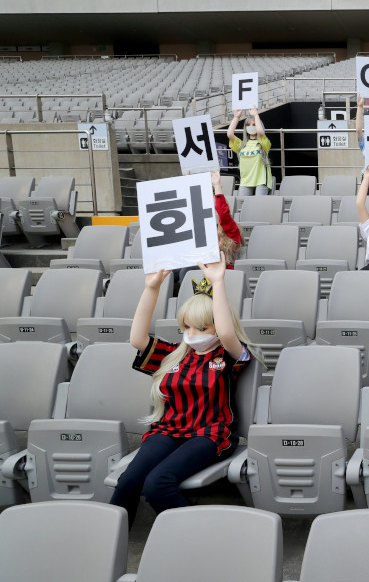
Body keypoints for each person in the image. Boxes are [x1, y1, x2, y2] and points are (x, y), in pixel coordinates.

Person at [110, 262, 254, 528]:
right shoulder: (175, 354)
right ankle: (110, 540)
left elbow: (225, 332)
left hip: (210, 434)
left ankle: (192, 538)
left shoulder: (228, 354)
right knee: (128, 481)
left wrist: (218, 283)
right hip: (168, 430)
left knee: (157, 484)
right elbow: (137, 339)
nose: (192, 334)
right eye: (187, 327)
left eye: (202, 328)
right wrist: (152, 289)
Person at [227, 108, 272, 196]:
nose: (251, 126)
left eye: (254, 124)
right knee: (242, 203)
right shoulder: (241, 145)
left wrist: (256, 115)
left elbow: (260, 132)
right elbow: (229, 134)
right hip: (245, 180)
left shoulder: (263, 142)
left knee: (259, 203)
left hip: (261, 180)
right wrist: (236, 117)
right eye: (248, 124)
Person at [212, 171, 242, 268]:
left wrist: (217, 185)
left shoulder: (231, 227)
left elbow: (223, 212)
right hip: (205, 269)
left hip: (223, 271)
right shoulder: (205, 229)